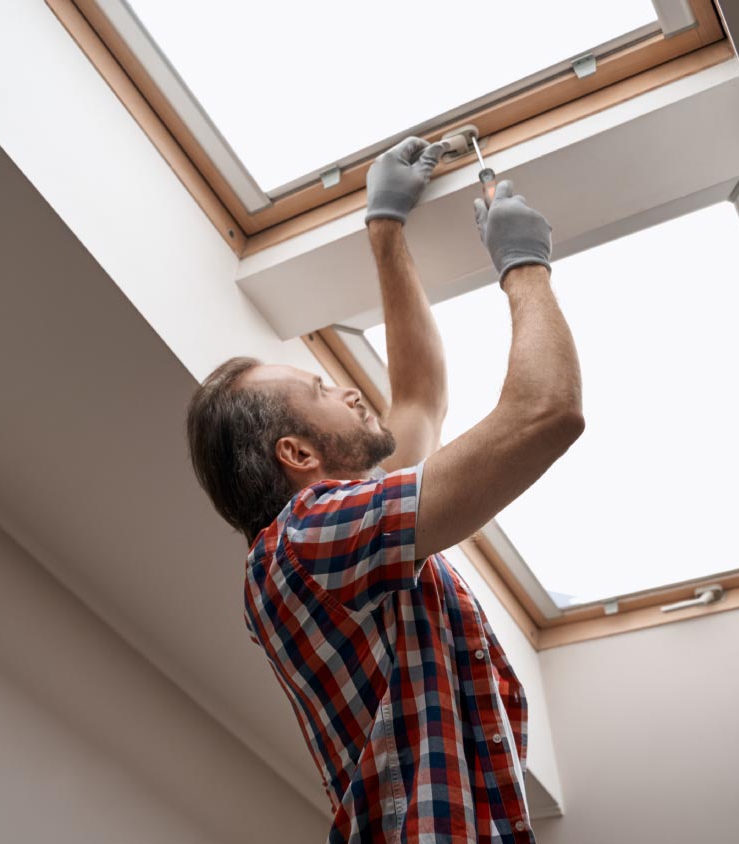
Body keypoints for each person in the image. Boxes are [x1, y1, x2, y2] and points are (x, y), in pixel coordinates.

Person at [185, 136, 584, 843]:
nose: (342, 387)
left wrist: (385, 230)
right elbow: (545, 414)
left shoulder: (327, 552)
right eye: (318, 389)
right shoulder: (304, 544)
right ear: (298, 452)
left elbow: (419, 402)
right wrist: (525, 266)